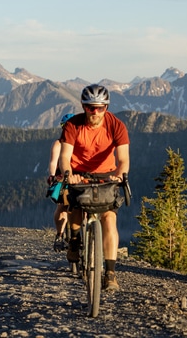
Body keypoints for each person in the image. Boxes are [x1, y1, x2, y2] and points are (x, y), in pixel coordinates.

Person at [58, 84, 130, 292]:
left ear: (106, 107)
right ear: (83, 107)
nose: (95, 112)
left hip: (106, 176)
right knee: (75, 206)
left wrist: (119, 175)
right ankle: (73, 240)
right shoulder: (72, 125)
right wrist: (69, 174)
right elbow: (65, 156)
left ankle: (110, 273)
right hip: (78, 174)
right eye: (90, 108)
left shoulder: (117, 126)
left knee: (109, 218)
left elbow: (123, 159)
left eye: (99, 108)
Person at [47, 113, 74, 252]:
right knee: (62, 206)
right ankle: (59, 235)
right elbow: (53, 162)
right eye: (66, 126)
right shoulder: (58, 144)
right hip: (62, 178)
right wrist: (52, 175)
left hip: (79, 178)